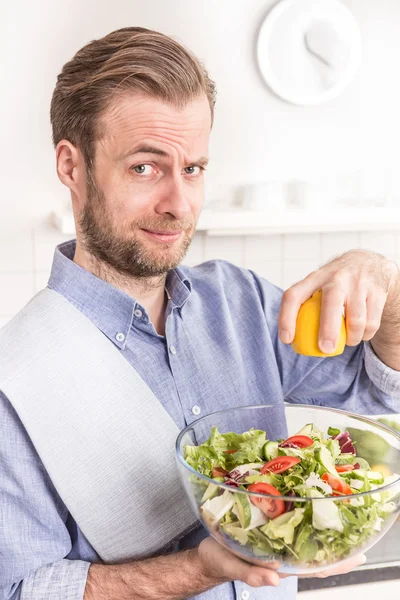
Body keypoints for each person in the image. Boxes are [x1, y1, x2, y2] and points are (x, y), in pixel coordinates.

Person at [0, 26, 399, 600]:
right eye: (145, 167)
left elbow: (379, 391)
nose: (179, 204)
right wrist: (202, 569)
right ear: (72, 166)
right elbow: (19, 590)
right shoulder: (17, 377)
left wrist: (385, 279)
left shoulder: (242, 303)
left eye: (193, 169)